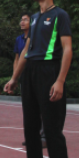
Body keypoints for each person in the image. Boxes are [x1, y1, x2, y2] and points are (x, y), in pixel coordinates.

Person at [4, 0, 75, 158]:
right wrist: (15, 78)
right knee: (30, 128)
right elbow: (26, 50)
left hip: (49, 71)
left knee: (52, 131)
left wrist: (60, 80)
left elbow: (67, 49)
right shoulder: (34, 18)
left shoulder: (60, 15)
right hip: (31, 73)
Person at [15, 13, 47, 149]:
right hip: (25, 74)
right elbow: (18, 57)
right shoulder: (19, 39)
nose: (22, 22)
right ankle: (32, 135)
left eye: (25, 20)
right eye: (21, 20)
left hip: (38, 72)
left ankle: (44, 135)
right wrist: (14, 76)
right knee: (29, 107)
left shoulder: (40, 35)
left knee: (42, 105)